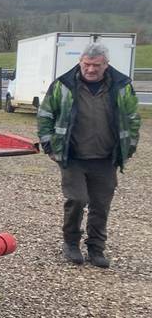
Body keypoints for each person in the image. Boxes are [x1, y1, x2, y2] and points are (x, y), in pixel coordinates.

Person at [37, 43, 141, 267]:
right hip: (72, 157)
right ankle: (71, 243)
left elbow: (133, 119)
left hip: (105, 159)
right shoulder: (63, 85)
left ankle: (96, 248)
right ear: (80, 62)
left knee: (100, 205)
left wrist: (128, 148)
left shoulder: (122, 86)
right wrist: (50, 146)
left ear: (106, 65)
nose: (91, 69)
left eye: (96, 65)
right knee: (77, 199)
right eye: (86, 64)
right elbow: (45, 116)